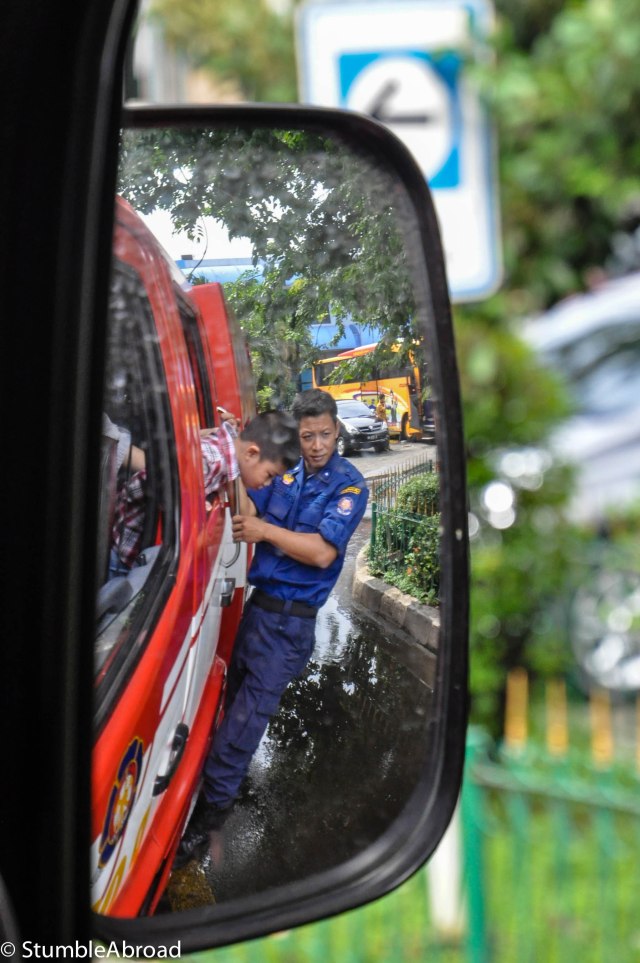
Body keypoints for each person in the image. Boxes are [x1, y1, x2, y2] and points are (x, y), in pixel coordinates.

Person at [176, 389, 369, 863]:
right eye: (308, 436)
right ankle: (222, 787)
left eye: (325, 433)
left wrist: (264, 533)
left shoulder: (349, 485)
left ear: (337, 428)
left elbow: (323, 552)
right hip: (258, 611)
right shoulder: (288, 473)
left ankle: (206, 824)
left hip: (289, 627)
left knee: (243, 725)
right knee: (229, 706)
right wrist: (235, 446)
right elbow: (250, 505)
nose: (318, 444)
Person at [108, 409, 300, 578]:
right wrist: (187, 503)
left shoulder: (225, 456)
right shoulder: (210, 460)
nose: (266, 484)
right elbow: (148, 481)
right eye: (269, 475)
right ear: (251, 453)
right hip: (126, 552)